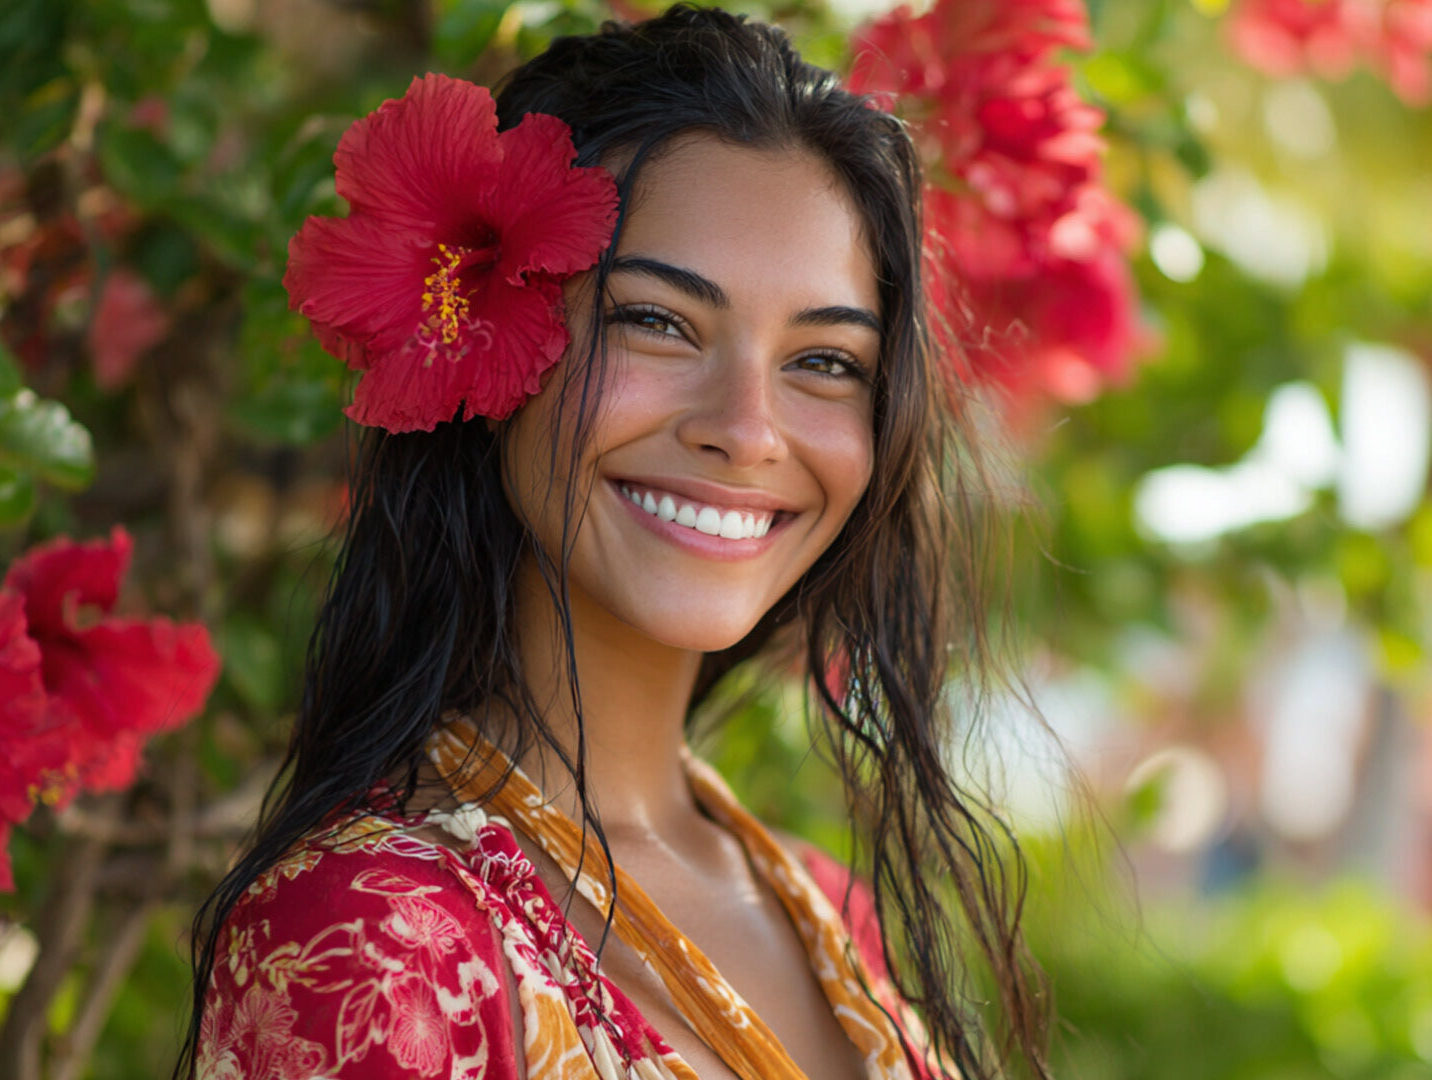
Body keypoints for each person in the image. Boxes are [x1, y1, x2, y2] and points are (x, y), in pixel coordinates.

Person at [181, 6, 1049, 1078]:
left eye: (824, 361)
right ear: (492, 343)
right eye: (657, 321)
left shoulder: (837, 915)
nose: (744, 429)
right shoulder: (372, 940)